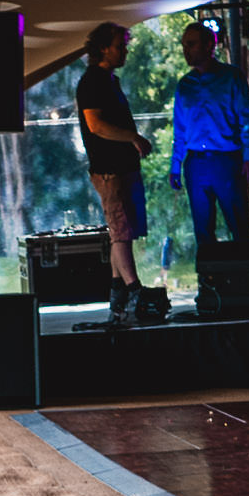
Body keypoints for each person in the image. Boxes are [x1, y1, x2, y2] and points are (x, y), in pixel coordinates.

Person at [75, 22, 154, 322]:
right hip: (108, 170)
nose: (125, 50)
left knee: (122, 232)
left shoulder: (110, 80)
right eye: (120, 45)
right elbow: (96, 125)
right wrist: (132, 137)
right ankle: (134, 291)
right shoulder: (92, 81)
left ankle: (118, 292)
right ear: (103, 48)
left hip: (123, 167)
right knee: (120, 231)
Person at [166, 21, 249, 245]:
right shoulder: (184, 85)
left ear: (209, 45)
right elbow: (180, 130)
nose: (186, 50)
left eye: (191, 44)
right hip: (196, 162)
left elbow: (246, 119)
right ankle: (209, 278)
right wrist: (176, 165)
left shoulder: (231, 77)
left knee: (238, 224)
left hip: (227, 160)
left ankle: (246, 273)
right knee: (203, 229)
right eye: (184, 45)